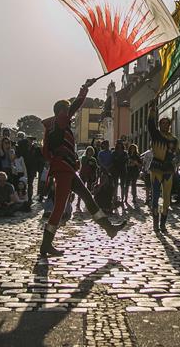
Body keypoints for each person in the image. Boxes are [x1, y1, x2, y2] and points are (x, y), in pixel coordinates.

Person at [39, 78, 126, 257]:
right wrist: (84, 89)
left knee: (87, 197)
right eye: (66, 111)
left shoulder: (58, 126)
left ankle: (109, 229)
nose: (69, 115)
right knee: (59, 208)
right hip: (63, 170)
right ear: (62, 112)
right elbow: (75, 106)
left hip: (68, 170)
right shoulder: (59, 122)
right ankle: (46, 244)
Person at [147, 102, 179, 233]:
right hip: (156, 167)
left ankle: (163, 224)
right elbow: (150, 124)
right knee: (155, 196)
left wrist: (176, 162)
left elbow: (178, 154)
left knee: (167, 197)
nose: (165, 125)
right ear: (159, 125)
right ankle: (155, 223)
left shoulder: (174, 140)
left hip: (168, 169)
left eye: (167, 123)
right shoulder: (156, 134)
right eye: (162, 123)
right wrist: (152, 110)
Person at [78, 146, 98, 212]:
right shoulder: (84, 158)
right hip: (83, 174)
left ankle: (87, 204)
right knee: (81, 189)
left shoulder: (94, 159)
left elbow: (95, 167)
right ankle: (78, 203)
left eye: (91, 151)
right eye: (89, 151)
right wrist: (89, 162)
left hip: (90, 175)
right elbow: (84, 163)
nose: (90, 152)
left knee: (88, 190)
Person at [112, 141, 129, 208]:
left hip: (123, 170)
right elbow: (113, 161)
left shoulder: (125, 153)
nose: (119, 145)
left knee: (122, 185)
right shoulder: (114, 152)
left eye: (120, 144)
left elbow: (126, 161)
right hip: (116, 170)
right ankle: (115, 199)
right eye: (118, 144)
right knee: (115, 185)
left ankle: (122, 199)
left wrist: (119, 160)